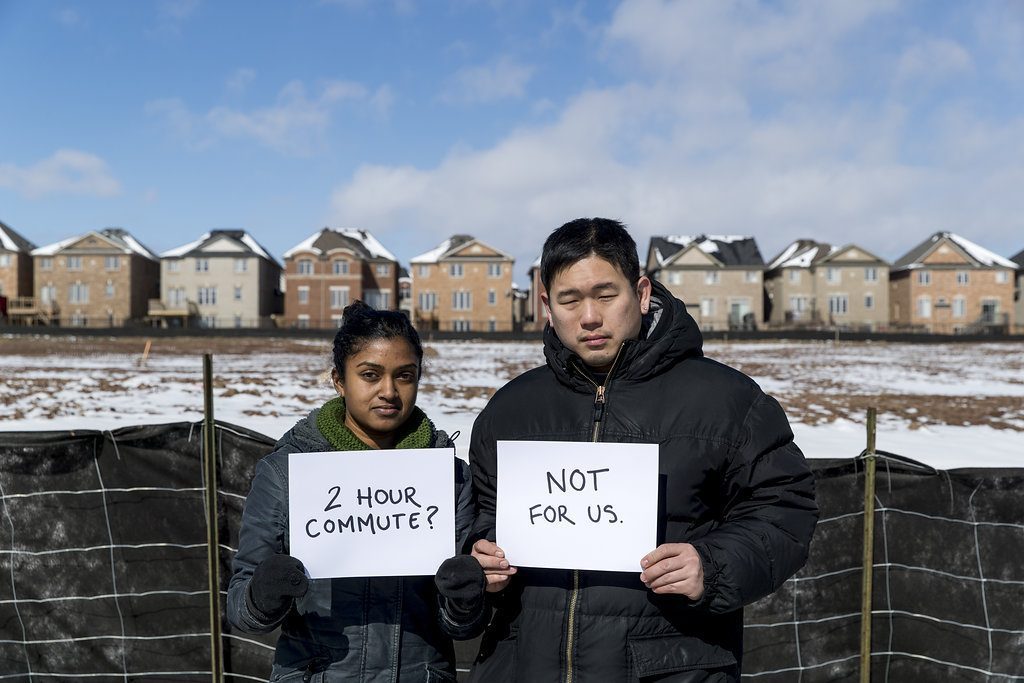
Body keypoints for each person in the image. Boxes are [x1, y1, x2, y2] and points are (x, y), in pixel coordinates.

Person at [467, 218, 819, 682]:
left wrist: (710, 565)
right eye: (570, 300)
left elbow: (784, 510)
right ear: (547, 306)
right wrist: (481, 559)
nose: (589, 316)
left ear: (642, 293)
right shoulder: (510, 408)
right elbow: (479, 514)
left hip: (669, 667)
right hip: (527, 665)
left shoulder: (726, 401)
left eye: (606, 295)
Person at [227, 301, 485, 682]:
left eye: (405, 375)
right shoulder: (286, 472)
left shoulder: (448, 478)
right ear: (339, 380)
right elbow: (241, 610)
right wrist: (264, 592)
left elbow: (463, 626)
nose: (389, 391)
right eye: (370, 374)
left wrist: (464, 600)